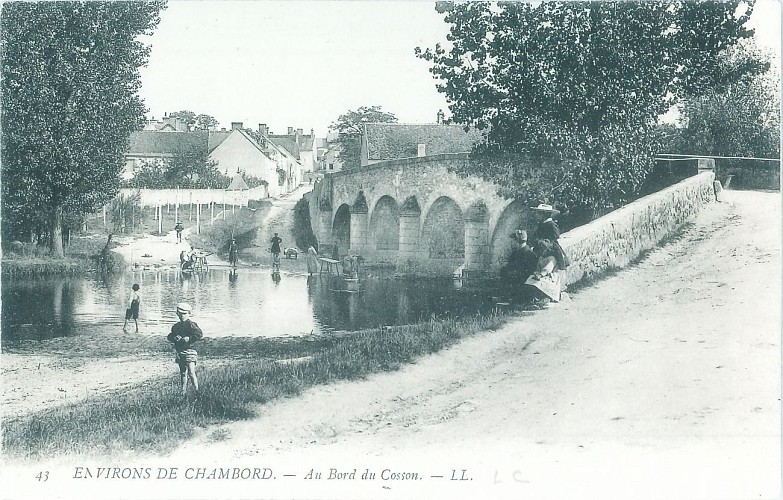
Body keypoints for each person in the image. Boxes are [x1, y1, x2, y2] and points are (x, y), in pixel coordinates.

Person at [167, 302, 203, 395]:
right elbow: (170, 336)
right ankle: (183, 391)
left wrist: (189, 338)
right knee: (183, 372)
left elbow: (199, 335)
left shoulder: (192, 324)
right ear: (177, 314)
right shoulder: (176, 326)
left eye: (184, 313)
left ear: (189, 313)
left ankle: (197, 391)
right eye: (180, 313)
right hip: (180, 351)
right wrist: (174, 338)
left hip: (190, 350)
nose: (182, 316)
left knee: (191, 372)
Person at [531, 203, 570, 269]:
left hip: (549, 247)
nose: (538, 215)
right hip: (540, 247)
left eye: (539, 213)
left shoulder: (551, 225)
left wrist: (546, 241)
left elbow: (555, 235)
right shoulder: (541, 224)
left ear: (545, 214)